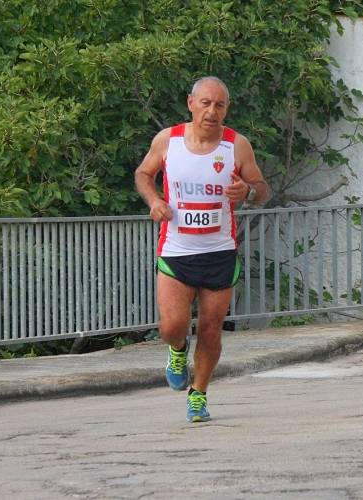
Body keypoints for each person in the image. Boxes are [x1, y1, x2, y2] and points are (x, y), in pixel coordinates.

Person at [135, 76, 270, 422]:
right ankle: (177, 350)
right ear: (191, 103)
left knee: (211, 329)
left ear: (226, 110)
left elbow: (262, 188)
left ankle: (199, 394)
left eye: (220, 105)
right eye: (206, 103)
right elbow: (143, 174)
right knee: (172, 326)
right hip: (176, 250)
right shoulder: (168, 140)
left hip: (220, 251)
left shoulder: (236, 146)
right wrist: (154, 201)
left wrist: (249, 194)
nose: (212, 111)